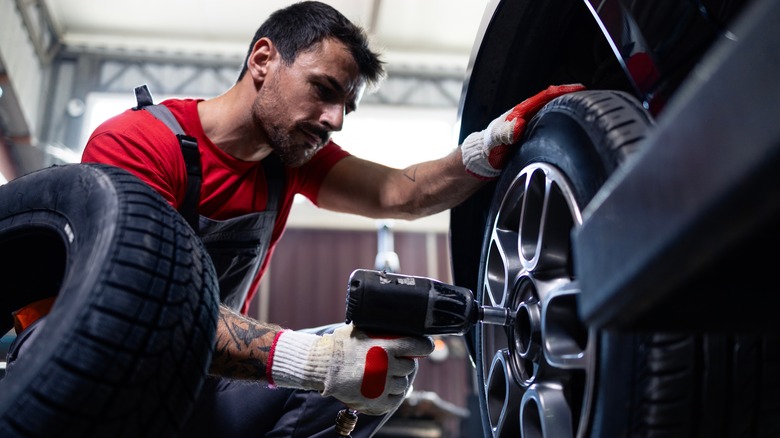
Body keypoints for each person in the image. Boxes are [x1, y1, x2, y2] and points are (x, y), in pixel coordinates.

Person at [78, 1, 584, 436]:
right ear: (263, 60)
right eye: (323, 89)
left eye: (347, 107)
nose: (335, 120)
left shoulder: (287, 162)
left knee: (375, 362)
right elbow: (146, 309)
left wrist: (486, 148)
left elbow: (401, 192)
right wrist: (315, 361)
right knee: (330, 360)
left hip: (197, 389)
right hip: (107, 388)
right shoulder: (140, 143)